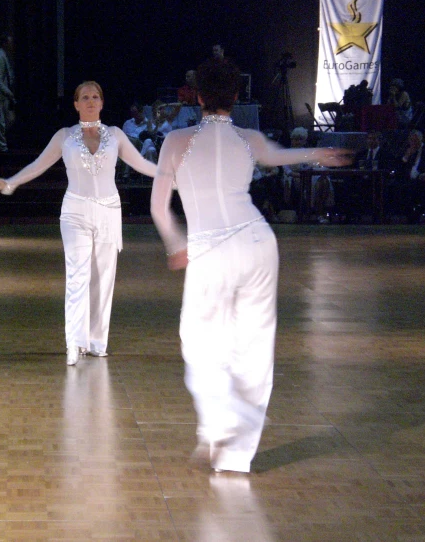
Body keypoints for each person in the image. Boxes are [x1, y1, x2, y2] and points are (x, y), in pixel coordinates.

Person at [150, 59, 350, 474]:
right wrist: (321, 153)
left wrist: (175, 245)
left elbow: (158, 207)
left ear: (197, 96)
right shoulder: (249, 137)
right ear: (237, 96)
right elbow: (282, 156)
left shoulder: (177, 140)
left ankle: (220, 423)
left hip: (210, 249)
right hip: (258, 242)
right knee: (254, 347)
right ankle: (237, 455)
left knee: (200, 341)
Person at [0, 81, 157, 365]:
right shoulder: (65, 136)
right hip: (75, 210)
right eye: (84, 97)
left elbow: (143, 165)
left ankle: (98, 342)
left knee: (103, 279)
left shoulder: (116, 136)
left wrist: (174, 178)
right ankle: (74, 343)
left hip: (109, 211)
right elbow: (38, 165)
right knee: (77, 276)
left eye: (95, 96)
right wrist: (9, 183)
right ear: (75, 104)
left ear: (102, 102)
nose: (90, 101)